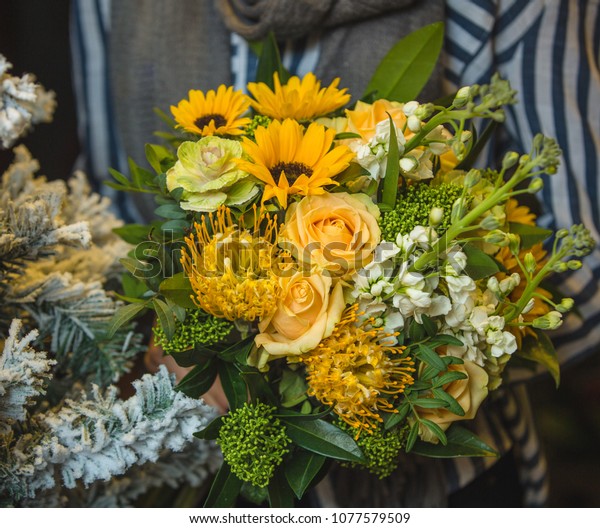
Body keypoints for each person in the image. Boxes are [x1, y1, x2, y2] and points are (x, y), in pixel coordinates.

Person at [70, 0, 599, 507]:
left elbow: (590, 271)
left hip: (441, 489)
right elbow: (105, 219)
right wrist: (170, 339)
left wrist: (360, 386)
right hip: (175, 465)